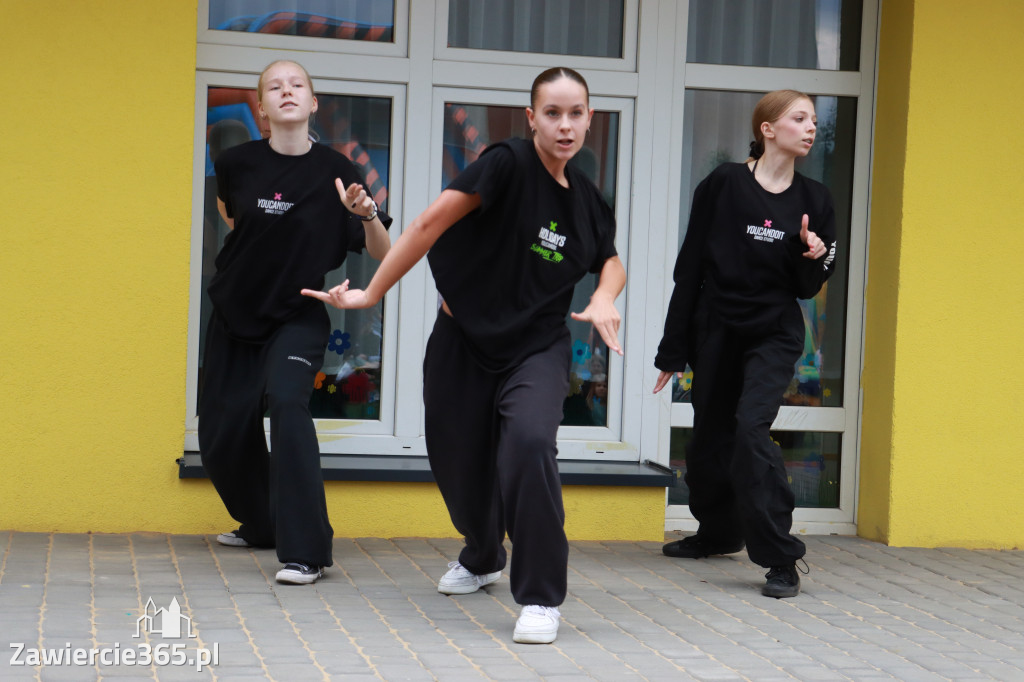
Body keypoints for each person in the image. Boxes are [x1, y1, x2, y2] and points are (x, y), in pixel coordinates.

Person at [303, 67, 625, 643]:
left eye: (576, 113)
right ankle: (482, 555)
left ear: (590, 120)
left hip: (535, 349)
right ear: (532, 119)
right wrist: (373, 290)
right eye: (552, 113)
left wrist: (604, 296)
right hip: (461, 341)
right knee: (456, 461)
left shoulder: (589, 206)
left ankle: (541, 598)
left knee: (529, 445)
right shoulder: (505, 165)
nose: (565, 124)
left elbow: (611, 259)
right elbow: (429, 225)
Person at [199, 60, 391, 585]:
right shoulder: (235, 162)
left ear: (312, 103)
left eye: (297, 85)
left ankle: (306, 551)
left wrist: (366, 213)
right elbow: (232, 218)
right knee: (219, 437)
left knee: (287, 405)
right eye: (274, 88)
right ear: (261, 108)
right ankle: (262, 524)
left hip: (298, 314)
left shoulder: (340, 172)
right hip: (235, 313)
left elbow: (382, 251)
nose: (286, 92)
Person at [652, 90, 837, 599]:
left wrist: (813, 254)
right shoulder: (724, 184)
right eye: (799, 118)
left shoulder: (816, 200)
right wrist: (673, 348)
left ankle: (780, 556)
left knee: (749, 428)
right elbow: (690, 266)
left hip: (774, 330)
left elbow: (808, 284)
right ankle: (717, 533)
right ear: (767, 128)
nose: (810, 127)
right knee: (711, 435)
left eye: (814, 120)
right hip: (718, 326)